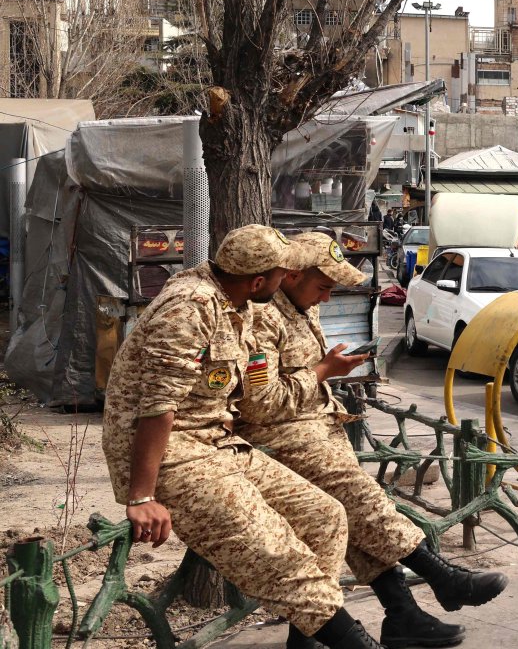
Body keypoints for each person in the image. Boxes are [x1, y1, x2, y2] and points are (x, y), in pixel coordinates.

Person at [102, 225, 378, 648]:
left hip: (216, 441)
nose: (289, 280)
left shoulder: (236, 301)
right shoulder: (189, 308)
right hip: (173, 452)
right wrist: (141, 496)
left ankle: (309, 639)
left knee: (325, 518)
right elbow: (157, 407)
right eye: (284, 274)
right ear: (258, 280)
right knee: (283, 557)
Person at [234, 233, 506, 649]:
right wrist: (323, 371)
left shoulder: (300, 308)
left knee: (357, 513)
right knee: (362, 500)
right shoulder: (263, 318)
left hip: (313, 429)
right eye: (322, 287)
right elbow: (260, 404)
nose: (326, 299)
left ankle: (403, 614)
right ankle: (441, 578)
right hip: (277, 438)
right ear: (289, 276)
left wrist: (329, 369)